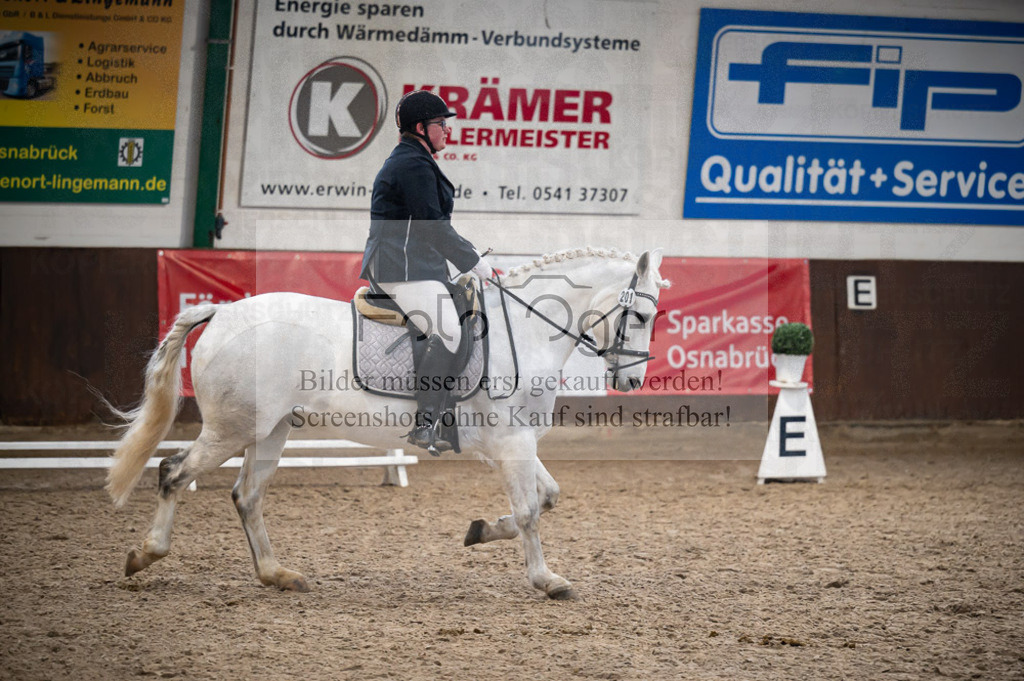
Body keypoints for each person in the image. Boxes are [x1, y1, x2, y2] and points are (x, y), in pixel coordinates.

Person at [360, 89, 494, 452]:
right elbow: (432, 227)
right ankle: (426, 421)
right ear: (421, 127)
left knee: (461, 316)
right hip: (401, 268)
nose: (447, 130)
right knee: (449, 330)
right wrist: (472, 260)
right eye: (440, 124)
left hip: (419, 265)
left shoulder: (416, 159)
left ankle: (449, 412)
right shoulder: (412, 165)